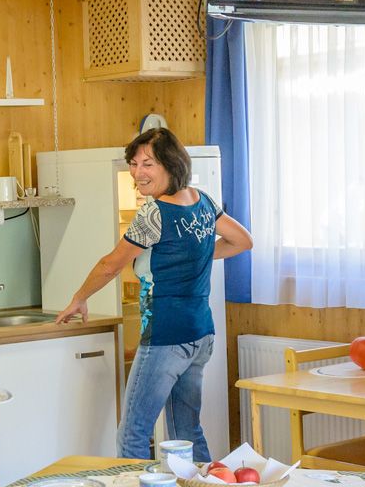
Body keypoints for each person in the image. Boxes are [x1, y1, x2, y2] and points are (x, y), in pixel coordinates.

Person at [54, 129, 252, 462]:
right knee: (187, 431)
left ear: (171, 164)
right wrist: (198, 253)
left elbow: (110, 265)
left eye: (148, 164)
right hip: (200, 334)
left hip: (165, 336)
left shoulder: (154, 213)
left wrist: (79, 298)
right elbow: (243, 240)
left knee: (133, 434)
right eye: (133, 164)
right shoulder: (202, 201)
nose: (137, 172)